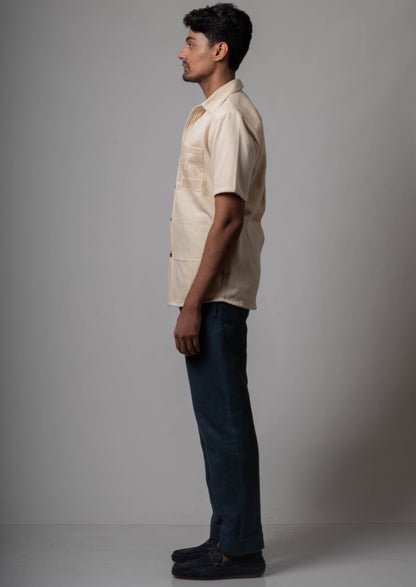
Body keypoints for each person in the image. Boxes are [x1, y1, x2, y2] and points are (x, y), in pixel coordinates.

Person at [168, 3, 267, 580]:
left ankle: (241, 550)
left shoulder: (229, 116)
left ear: (219, 50)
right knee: (217, 422)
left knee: (225, 422)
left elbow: (227, 220)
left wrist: (192, 304)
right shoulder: (214, 112)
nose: (182, 52)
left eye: (191, 42)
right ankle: (225, 535)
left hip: (214, 295)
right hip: (209, 293)